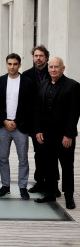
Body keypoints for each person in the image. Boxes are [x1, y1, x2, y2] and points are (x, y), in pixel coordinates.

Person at [34, 57, 80, 209]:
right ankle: (50, 193)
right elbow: (39, 110)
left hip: (64, 136)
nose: (53, 69)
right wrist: (38, 130)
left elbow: (74, 112)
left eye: (56, 67)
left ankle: (69, 196)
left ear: (63, 68)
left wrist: (69, 134)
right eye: (51, 67)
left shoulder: (72, 86)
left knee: (67, 166)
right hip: (46, 135)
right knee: (49, 165)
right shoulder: (44, 84)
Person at [0, 53, 34, 200]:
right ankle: (5, 186)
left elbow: (29, 105)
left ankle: (23, 187)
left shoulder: (27, 82)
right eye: (9, 64)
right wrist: (4, 120)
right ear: (6, 64)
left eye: (15, 64)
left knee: (23, 158)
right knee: (3, 158)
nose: (12, 66)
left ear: (19, 65)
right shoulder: (0, 81)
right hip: (3, 126)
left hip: (20, 126)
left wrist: (16, 121)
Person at [22, 45, 55, 194]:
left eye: (41, 56)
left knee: (52, 154)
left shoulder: (53, 73)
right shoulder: (27, 75)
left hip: (53, 122)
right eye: (36, 56)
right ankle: (40, 182)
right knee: (39, 153)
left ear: (46, 58)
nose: (38, 58)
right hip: (35, 122)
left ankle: (53, 185)